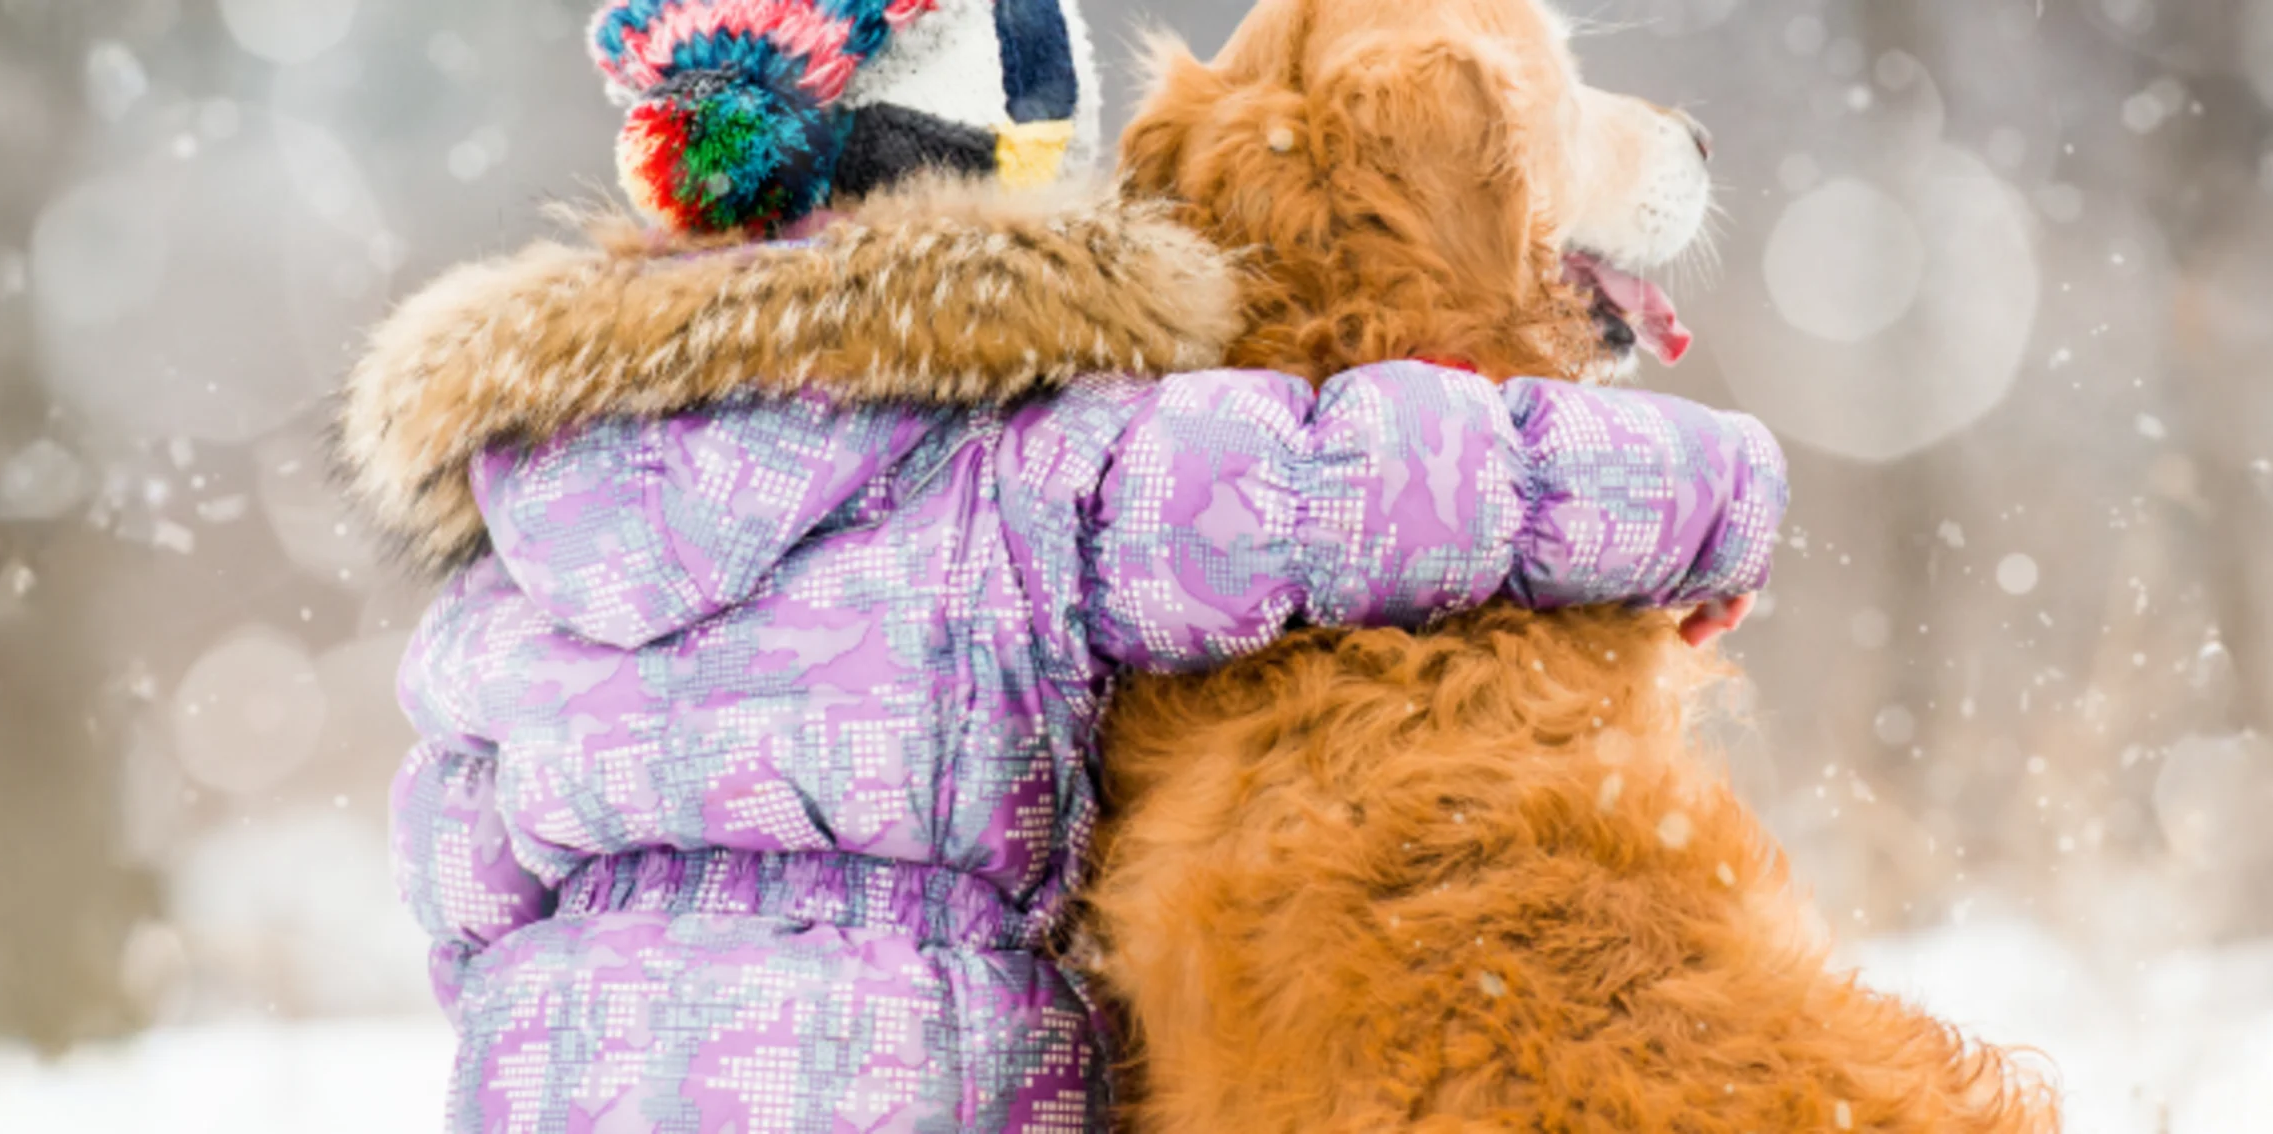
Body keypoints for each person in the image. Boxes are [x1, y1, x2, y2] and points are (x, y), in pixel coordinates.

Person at [336, 1, 1788, 1129]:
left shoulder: (530, 514)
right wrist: (1708, 493)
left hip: (557, 1073)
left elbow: (458, 864)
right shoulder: (1031, 467)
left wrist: (589, 1015)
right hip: (926, 1072)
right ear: (1006, 174)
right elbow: (1359, 483)